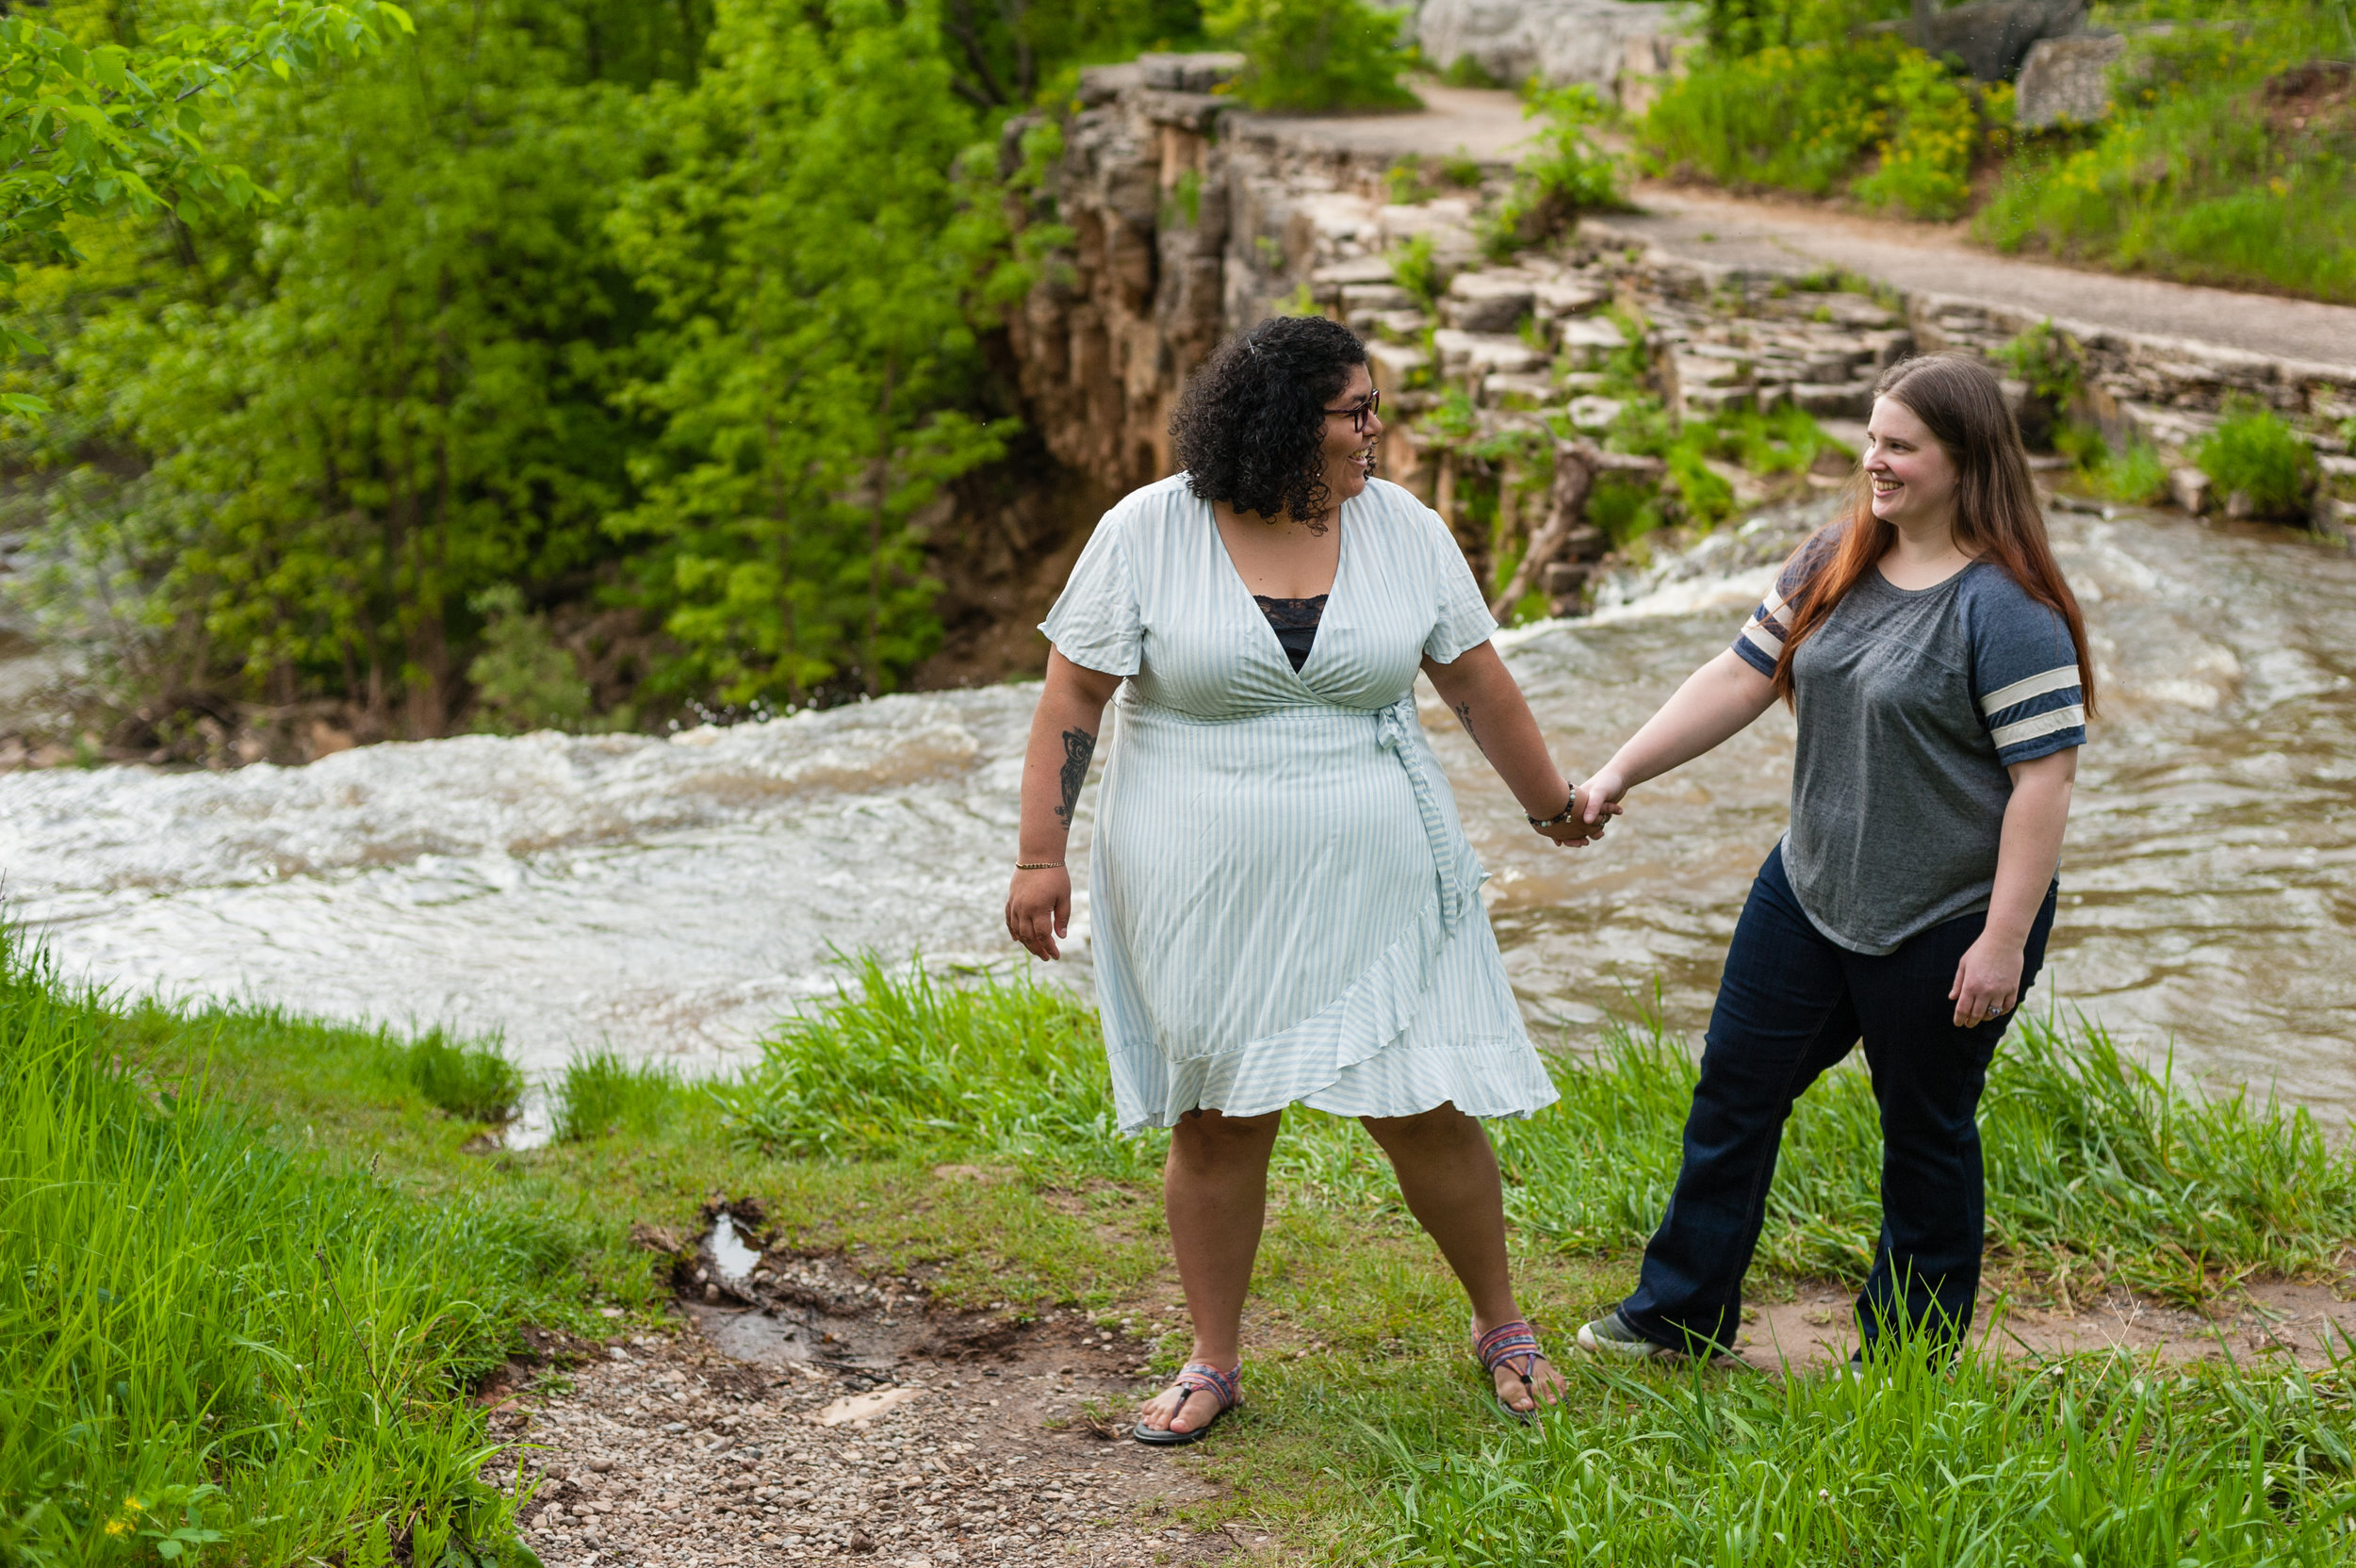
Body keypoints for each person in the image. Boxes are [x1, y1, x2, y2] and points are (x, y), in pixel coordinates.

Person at [1004, 315, 1611, 1441]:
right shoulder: (1147, 529)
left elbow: (1478, 685)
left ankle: (1502, 1325)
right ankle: (1212, 1360)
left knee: (1420, 1102)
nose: (1376, 429)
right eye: (1357, 411)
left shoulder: (1404, 530)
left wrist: (1550, 804)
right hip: (1198, 873)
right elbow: (1072, 698)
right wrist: (1041, 854)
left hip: (1379, 869)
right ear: (1287, 420)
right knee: (1220, 1116)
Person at [1572, 351, 2093, 1366]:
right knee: (1733, 1092)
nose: (1874, 461)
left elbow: (2045, 785)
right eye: (1870, 438)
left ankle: (1904, 1356)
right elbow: (1738, 675)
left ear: (1964, 460)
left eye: (1899, 445)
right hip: (1809, 888)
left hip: (1948, 914)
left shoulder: (2007, 608)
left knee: (1924, 1134)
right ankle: (1677, 1314)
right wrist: (1617, 771)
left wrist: (2001, 940)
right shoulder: (1833, 558)